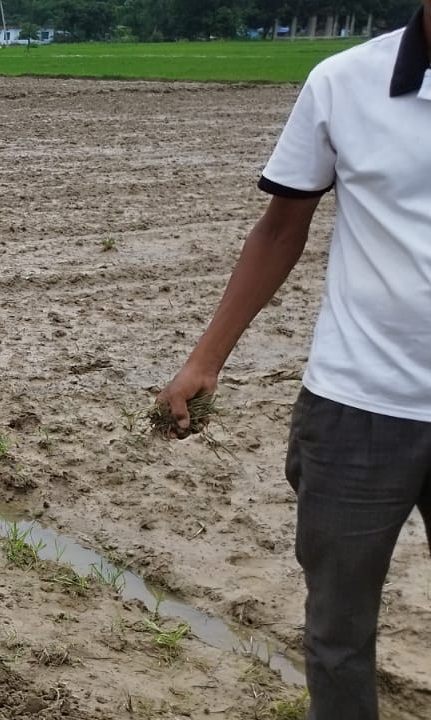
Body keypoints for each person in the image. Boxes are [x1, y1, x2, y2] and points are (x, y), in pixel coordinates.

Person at [158, 5, 431, 718]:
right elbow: (281, 229)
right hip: (358, 408)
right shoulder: (344, 83)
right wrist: (205, 359)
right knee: (338, 631)